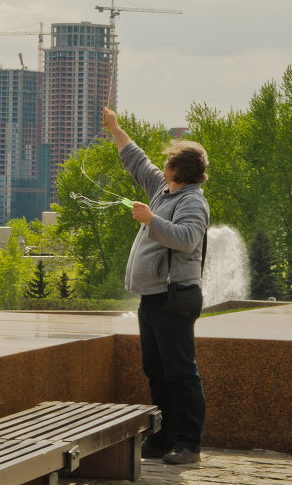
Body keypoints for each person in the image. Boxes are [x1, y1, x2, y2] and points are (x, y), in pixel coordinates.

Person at [102, 106, 210, 466]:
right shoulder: (164, 191)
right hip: (153, 298)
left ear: (179, 171)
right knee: (157, 370)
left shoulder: (192, 200)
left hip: (174, 297)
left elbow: (188, 239)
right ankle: (164, 438)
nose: (161, 168)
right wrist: (115, 128)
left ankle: (187, 444)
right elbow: (137, 161)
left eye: (168, 164)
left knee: (180, 373)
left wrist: (150, 220)